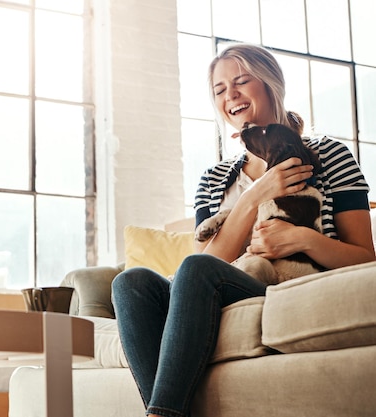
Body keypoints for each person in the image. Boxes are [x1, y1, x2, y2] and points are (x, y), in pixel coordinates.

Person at [111, 43, 375, 417]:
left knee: (195, 269)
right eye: (219, 90)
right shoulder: (215, 178)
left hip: (283, 284)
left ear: (271, 85)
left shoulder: (328, 155)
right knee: (130, 282)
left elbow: (366, 259)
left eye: (241, 82)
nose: (230, 95)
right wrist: (255, 196)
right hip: (220, 285)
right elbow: (207, 262)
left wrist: (303, 239)